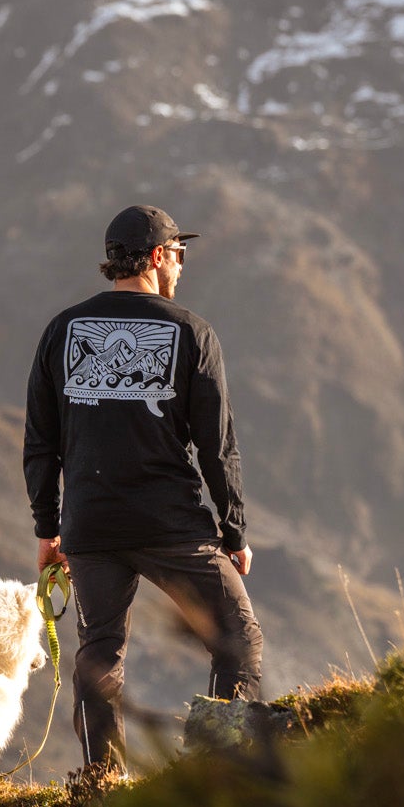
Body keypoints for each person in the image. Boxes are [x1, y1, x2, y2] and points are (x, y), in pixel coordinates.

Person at [24, 203, 263, 768]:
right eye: (179, 254)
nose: (181, 267)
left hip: (91, 525)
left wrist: (47, 528)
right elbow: (217, 446)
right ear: (157, 257)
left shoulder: (63, 330)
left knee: (100, 650)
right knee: (238, 638)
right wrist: (234, 530)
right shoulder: (191, 332)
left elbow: (41, 442)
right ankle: (217, 768)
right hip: (170, 525)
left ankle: (101, 782)